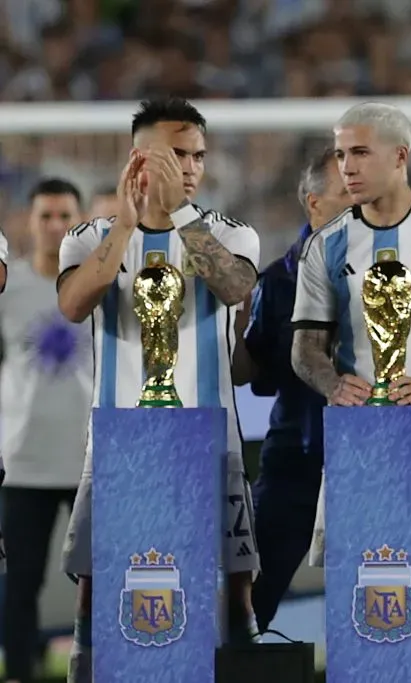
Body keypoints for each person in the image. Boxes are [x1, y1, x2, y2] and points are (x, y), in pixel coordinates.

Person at [56, 98, 262, 682]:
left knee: (233, 593)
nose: (191, 167)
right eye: (177, 155)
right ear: (138, 158)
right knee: (96, 590)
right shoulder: (89, 236)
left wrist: (179, 215)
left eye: (198, 155)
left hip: (211, 441)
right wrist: (127, 222)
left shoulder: (229, 232)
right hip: (120, 442)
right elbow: (73, 306)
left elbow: (233, 288)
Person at [290, 103, 411, 567]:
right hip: (361, 433)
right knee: (359, 571)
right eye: (342, 154)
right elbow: (306, 346)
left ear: (401, 157)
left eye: (361, 152)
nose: (347, 167)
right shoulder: (326, 244)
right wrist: (333, 384)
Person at [233, 147, 352, 632]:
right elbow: (248, 371)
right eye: (347, 194)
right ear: (314, 203)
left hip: (379, 457)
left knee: (388, 588)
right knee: (251, 597)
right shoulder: (278, 282)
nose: (360, 205)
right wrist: (233, 326)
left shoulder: (395, 267)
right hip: (297, 461)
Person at [0, 179, 89, 683]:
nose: (55, 226)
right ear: (28, 222)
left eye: (64, 216)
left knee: (97, 581)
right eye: (46, 216)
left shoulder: (100, 283)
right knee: (20, 584)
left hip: (87, 459)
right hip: (24, 463)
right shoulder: (8, 288)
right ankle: (18, 673)